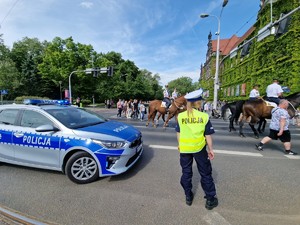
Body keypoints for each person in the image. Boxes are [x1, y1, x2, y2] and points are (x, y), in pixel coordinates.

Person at [175, 89, 218, 209]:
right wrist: (211, 149)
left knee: (186, 173)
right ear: (198, 103)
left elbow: (178, 133)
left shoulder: (181, 116)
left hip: (184, 149)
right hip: (199, 149)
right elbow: (207, 135)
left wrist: (180, 144)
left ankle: (188, 196)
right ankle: (210, 199)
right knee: (205, 173)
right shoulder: (203, 116)